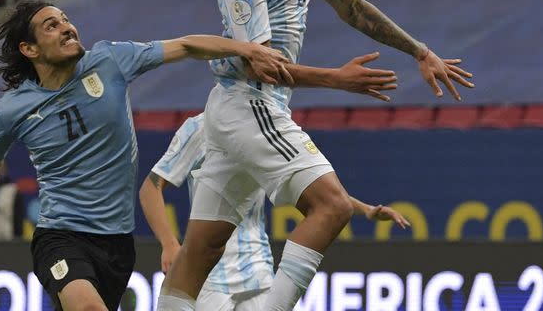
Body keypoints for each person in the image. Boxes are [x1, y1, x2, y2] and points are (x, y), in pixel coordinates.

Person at [156, 0, 474, 311]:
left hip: (242, 109)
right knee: (333, 206)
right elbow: (256, 62)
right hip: (251, 103)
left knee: (199, 251)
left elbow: (352, 7)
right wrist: (336, 79)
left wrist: (419, 51)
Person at [0, 0, 296, 311]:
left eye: (66, 20)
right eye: (51, 26)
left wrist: (246, 49)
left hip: (117, 246)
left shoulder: (110, 61)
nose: (67, 27)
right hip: (61, 237)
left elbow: (188, 45)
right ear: (29, 49)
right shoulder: (15, 108)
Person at [140, 113, 410, 311]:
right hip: (210, 274)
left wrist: (367, 210)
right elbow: (151, 188)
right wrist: (169, 244)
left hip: (257, 271)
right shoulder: (200, 128)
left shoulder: (266, 130)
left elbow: (314, 188)